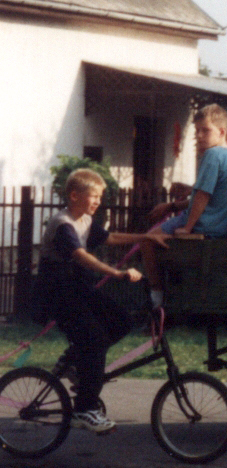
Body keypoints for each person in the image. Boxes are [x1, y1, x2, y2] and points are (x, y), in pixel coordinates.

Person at [32, 169, 143, 434]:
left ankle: (73, 360)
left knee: (122, 321)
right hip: (58, 292)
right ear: (74, 195)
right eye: (93, 196)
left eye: (99, 197)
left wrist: (146, 238)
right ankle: (84, 410)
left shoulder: (85, 219)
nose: (98, 201)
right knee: (94, 341)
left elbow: (110, 238)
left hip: (77, 288)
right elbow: (81, 256)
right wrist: (116, 273)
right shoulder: (63, 224)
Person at [140, 104, 227, 305]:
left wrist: (188, 227)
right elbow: (211, 197)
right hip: (225, 225)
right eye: (197, 130)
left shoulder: (213, 155)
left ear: (222, 132)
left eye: (205, 130)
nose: (199, 136)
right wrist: (172, 207)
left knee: (147, 240)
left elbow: (202, 196)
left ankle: (156, 297)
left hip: (206, 225)